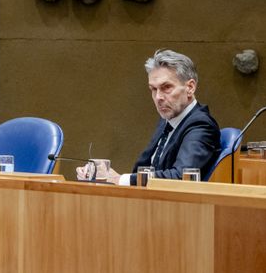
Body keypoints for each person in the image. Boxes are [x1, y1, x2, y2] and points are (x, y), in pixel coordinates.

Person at [78, 49, 220, 185]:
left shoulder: (201, 125)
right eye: (153, 89)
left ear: (190, 87)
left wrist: (120, 180)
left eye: (166, 87)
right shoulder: (168, 120)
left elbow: (182, 177)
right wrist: (108, 175)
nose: (158, 97)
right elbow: (146, 169)